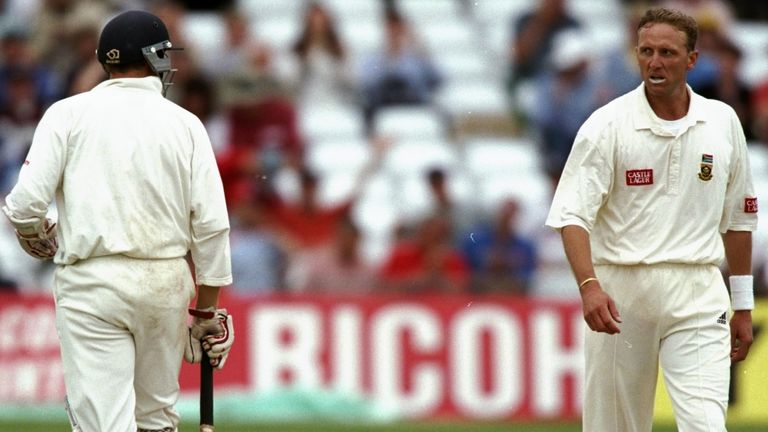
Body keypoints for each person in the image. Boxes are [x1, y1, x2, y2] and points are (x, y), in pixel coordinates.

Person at [1, 11, 235, 432]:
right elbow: (212, 226)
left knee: (104, 425)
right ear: (156, 58)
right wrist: (206, 312)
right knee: (155, 421)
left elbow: (24, 206)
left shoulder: (67, 114)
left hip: (92, 285)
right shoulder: (186, 125)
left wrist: (34, 234)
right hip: (165, 284)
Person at [545, 8, 756, 431]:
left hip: (697, 289)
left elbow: (738, 219)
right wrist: (589, 286)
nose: (654, 63)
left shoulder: (722, 121)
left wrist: (744, 304)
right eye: (645, 52)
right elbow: (571, 215)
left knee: (706, 426)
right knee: (615, 426)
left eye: (666, 52)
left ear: (692, 59)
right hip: (621, 292)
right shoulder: (606, 125)